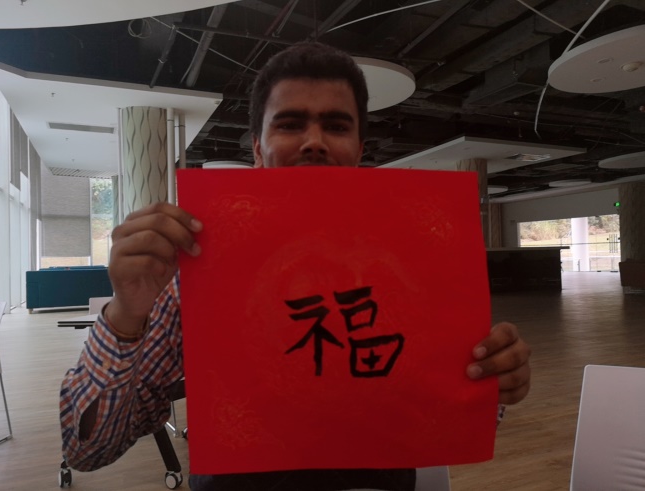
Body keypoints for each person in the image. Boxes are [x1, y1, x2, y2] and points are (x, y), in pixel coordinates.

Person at [60, 42, 531, 491]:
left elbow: (450, 404)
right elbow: (89, 450)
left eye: (336, 126)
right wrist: (126, 314)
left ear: (359, 149)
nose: (314, 142)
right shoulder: (199, 271)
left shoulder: (411, 263)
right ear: (258, 149)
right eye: (290, 124)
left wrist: (495, 379)